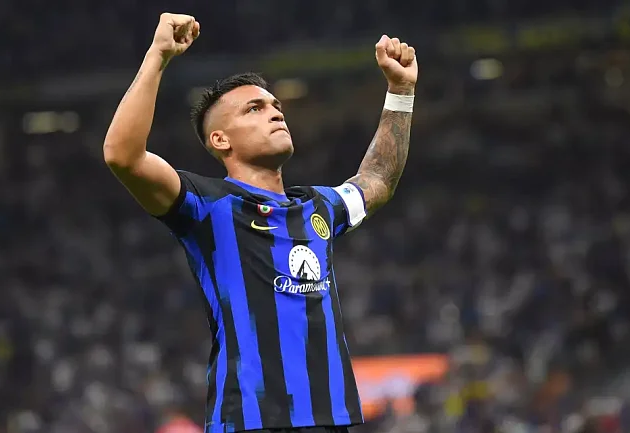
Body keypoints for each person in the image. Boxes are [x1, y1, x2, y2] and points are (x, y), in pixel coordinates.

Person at [103, 12, 417, 433]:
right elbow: (123, 156)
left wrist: (400, 91)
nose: (275, 113)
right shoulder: (207, 205)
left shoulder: (317, 207)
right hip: (251, 421)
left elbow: (377, 179)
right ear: (220, 140)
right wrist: (158, 55)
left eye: (275, 106)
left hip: (331, 420)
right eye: (255, 108)